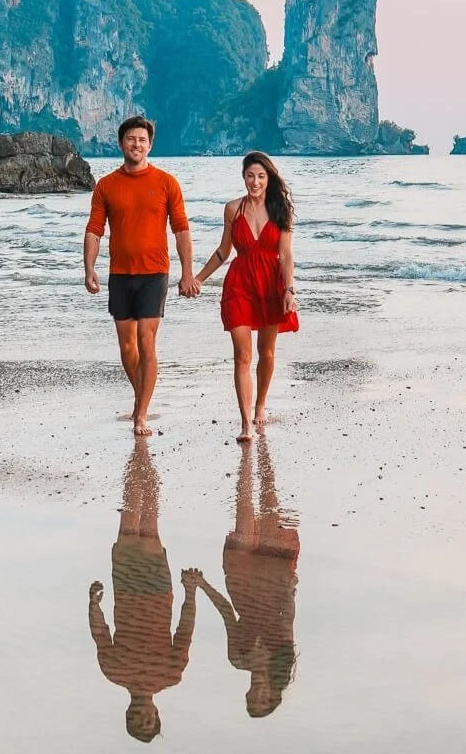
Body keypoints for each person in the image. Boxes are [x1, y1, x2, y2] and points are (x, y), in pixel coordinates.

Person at [84, 116, 196, 436]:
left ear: (150, 145)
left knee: (147, 342)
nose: (137, 144)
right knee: (127, 347)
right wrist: (89, 269)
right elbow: (94, 231)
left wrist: (187, 272)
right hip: (119, 274)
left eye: (142, 140)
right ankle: (141, 397)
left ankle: (141, 414)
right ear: (121, 144)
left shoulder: (166, 183)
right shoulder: (106, 185)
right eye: (131, 139)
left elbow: (181, 230)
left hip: (155, 273)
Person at [89, 438, 201, 743]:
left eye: (138, 720)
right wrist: (191, 592)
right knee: (149, 526)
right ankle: (144, 459)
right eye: (149, 721)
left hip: (126, 594)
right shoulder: (172, 674)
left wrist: (94, 605)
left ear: (129, 714)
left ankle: (139, 459)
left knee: (129, 527)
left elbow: (100, 634)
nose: (145, 716)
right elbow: (185, 630)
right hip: (156, 596)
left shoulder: (113, 672)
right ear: (156, 715)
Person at [191, 151, 298, 441]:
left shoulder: (280, 210)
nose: (255, 181)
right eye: (250, 175)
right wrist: (198, 278)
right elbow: (223, 251)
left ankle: (260, 405)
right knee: (242, 355)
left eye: (261, 176)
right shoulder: (232, 210)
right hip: (239, 284)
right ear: (243, 177)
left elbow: (286, 255)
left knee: (267, 352)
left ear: (269, 178)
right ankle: (245, 423)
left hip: (271, 286)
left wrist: (289, 289)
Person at [196, 436, 299, 719]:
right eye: (262, 699)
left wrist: (202, 585)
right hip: (274, 581)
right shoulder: (282, 654)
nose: (255, 694)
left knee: (243, 510)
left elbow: (227, 614)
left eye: (251, 700)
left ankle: (246, 456)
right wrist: (288, 581)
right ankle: (262, 452)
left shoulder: (237, 658)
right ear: (273, 694)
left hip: (240, 582)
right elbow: (287, 616)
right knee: (270, 505)